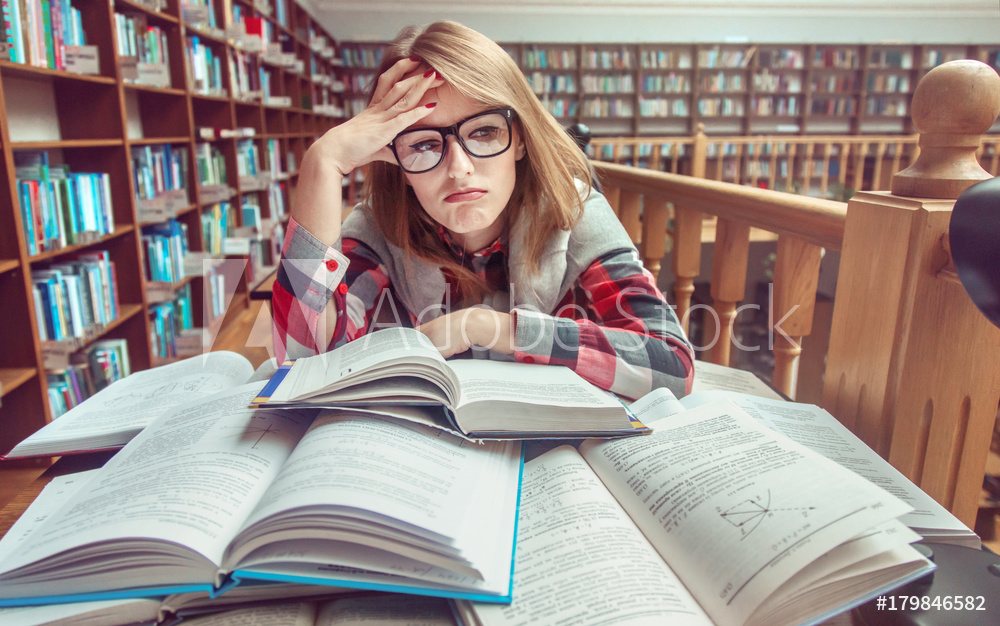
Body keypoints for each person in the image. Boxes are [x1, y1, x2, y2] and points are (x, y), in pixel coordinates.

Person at [272, 21, 694, 400]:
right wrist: (322, 164)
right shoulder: (377, 227)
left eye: (486, 131)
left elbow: (672, 366)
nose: (459, 169)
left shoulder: (575, 211)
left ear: (522, 139)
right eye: (422, 143)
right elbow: (304, 360)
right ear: (396, 161)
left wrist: (486, 327)